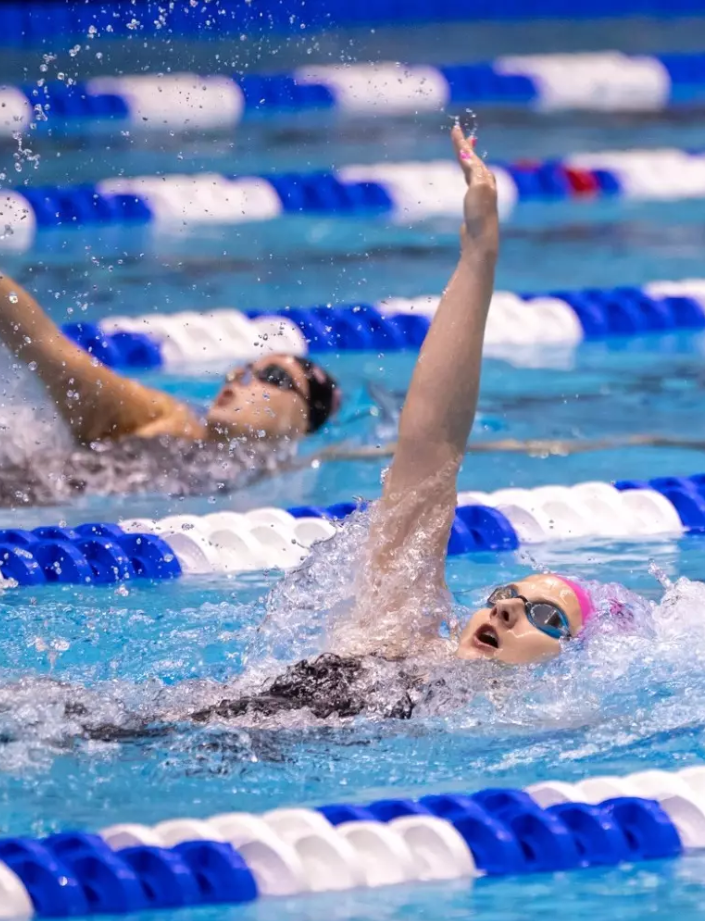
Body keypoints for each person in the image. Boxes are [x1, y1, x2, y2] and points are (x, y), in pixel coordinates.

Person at [197, 124, 610, 726]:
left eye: (546, 619)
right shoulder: (401, 629)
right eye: (505, 598)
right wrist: (479, 253)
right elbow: (432, 444)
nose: (505, 613)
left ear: (568, 662)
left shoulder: (528, 722)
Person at [0, 275, 341, 446]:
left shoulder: (284, 470)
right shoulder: (164, 417)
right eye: (239, 372)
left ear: (303, 421)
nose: (238, 382)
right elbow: (47, 347)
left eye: (275, 377)